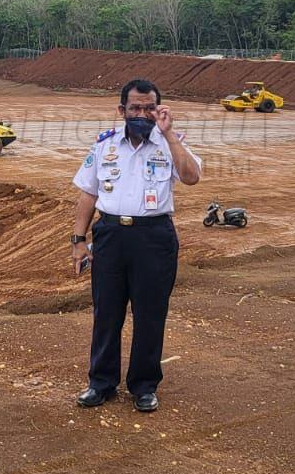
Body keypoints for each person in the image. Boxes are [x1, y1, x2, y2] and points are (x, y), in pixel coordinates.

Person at [70, 79, 202, 413]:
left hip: (154, 239)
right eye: (135, 108)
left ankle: (144, 386)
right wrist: (78, 240)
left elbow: (191, 177)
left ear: (159, 109)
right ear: (122, 111)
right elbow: (88, 194)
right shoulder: (104, 146)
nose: (142, 114)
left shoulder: (171, 144)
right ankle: (101, 383)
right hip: (111, 237)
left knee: (150, 315)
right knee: (107, 313)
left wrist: (168, 133)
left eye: (149, 108)